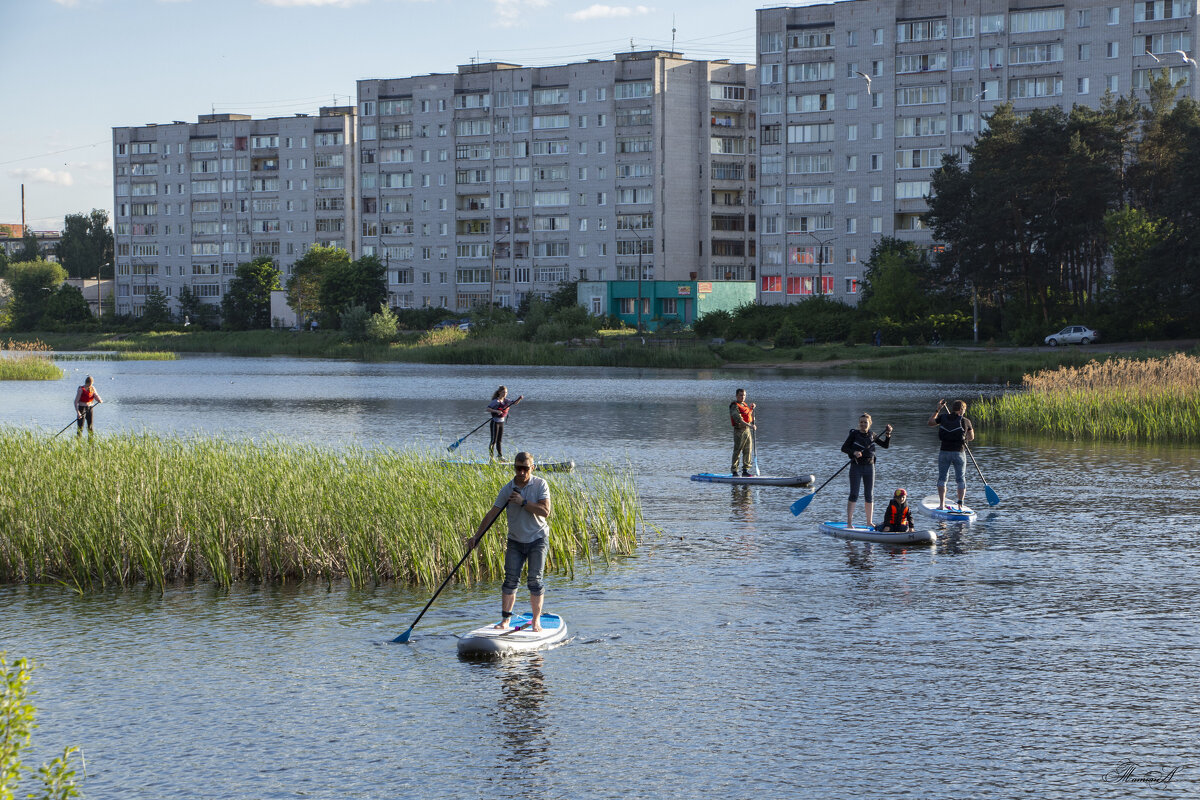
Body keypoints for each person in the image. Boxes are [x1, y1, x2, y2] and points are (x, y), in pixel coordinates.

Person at [466, 452, 551, 632]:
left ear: (532, 468)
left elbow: (545, 511)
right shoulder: (508, 489)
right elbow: (492, 513)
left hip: (538, 538)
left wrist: (522, 502)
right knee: (510, 580)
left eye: (525, 469)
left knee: (534, 581)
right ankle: (505, 621)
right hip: (515, 541)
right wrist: (476, 536)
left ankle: (536, 622)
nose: (521, 472)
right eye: (518, 468)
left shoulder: (540, 484)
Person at [840, 413, 892, 529]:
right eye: (861, 422)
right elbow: (844, 448)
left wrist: (888, 434)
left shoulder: (872, 435)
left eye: (865, 422)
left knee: (869, 495)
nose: (863, 424)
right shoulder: (854, 434)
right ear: (859, 423)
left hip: (870, 467)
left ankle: (869, 522)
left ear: (870, 423)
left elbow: (885, 445)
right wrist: (854, 452)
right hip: (856, 467)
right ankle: (849, 523)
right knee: (854, 494)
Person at [927, 399, 975, 509]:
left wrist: (938, 409)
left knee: (942, 479)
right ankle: (960, 505)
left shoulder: (943, 418)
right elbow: (971, 437)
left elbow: (930, 422)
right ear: (961, 409)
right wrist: (963, 437)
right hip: (959, 453)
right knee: (961, 479)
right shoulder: (966, 421)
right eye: (964, 410)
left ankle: (941, 505)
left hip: (944, 452)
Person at [486, 386, 523, 461]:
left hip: (501, 422)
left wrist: (519, 399)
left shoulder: (506, 401)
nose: (505, 394)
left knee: (499, 440)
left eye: (506, 392)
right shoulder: (496, 401)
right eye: (503, 392)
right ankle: (491, 458)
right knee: (493, 440)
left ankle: (500, 456)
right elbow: (488, 409)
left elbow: (515, 403)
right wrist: (496, 411)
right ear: (499, 392)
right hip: (495, 422)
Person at [729, 388, 756, 477]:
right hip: (739, 431)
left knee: (748, 450)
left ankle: (745, 470)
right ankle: (734, 471)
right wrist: (750, 425)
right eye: (741, 395)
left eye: (744, 395)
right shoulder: (734, 406)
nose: (742, 397)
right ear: (737, 396)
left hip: (747, 431)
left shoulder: (744, 405)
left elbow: (748, 415)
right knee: (737, 451)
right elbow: (739, 419)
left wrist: (751, 409)